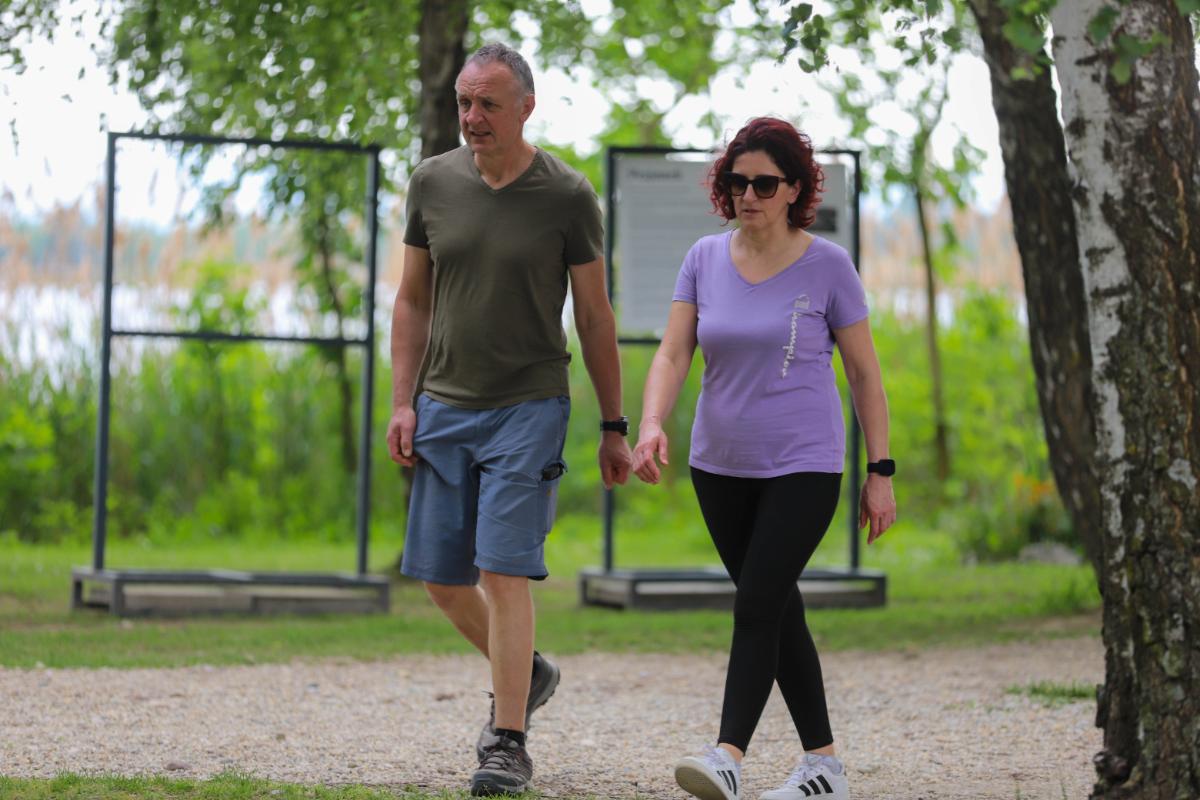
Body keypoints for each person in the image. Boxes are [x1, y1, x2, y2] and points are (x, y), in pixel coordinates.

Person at [386, 42, 632, 797]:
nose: (472, 116)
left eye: (488, 103)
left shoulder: (568, 196)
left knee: (502, 569)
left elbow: (594, 317)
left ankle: (508, 740)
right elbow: (412, 301)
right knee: (441, 580)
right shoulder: (432, 182)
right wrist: (402, 401)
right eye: (465, 102)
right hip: (443, 405)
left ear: (526, 107)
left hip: (529, 405)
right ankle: (529, 672)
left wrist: (614, 425)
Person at [631, 117, 896, 800]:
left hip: (805, 463)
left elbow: (864, 374)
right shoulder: (703, 258)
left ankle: (727, 755)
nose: (747, 194)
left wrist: (881, 472)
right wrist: (652, 423)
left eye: (764, 184)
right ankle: (824, 768)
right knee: (778, 608)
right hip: (718, 465)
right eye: (737, 182)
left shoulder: (828, 265)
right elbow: (673, 353)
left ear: (794, 190)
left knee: (756, 604)